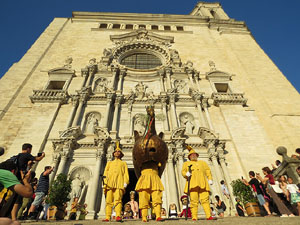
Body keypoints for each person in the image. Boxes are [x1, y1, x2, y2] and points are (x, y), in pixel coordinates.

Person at [181, 145, 214, 220]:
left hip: (203, 183)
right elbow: (183, 171)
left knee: (205, 200)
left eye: (194, 155)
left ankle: (208, 215)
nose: (193, 156)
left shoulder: (203, 163)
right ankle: (194, 216)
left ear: (197, 155)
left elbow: (208, 171)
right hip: (193, 183)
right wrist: (186, 174)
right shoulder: (186, 164)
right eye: (191, 155)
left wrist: (210, 179)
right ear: (189, 157)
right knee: (194, 200)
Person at [102, 142, 129, 222]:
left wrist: (125, 183)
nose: (117, 152)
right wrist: (104, 182)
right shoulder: (109, 163)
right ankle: (107, 216)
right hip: (110, 183)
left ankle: (118, 215)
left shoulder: (123, 163)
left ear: (121, 154)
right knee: (108, 200)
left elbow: (125, 174)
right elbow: (105, 173)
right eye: (116, 151)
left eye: (119, 152)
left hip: (119, 183)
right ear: (113, 153)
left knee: (118, 200)